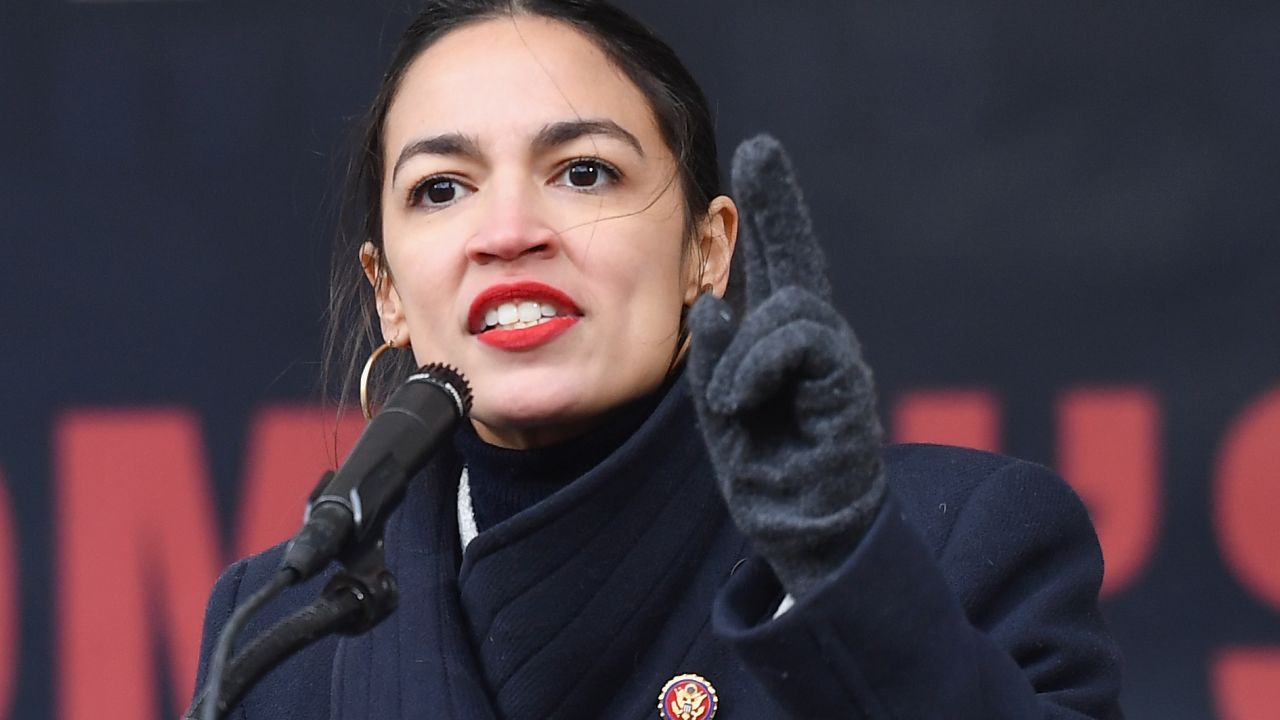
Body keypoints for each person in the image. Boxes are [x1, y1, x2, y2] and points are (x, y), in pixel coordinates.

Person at [192, 1, 1124, 718]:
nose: (508, 232)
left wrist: (848, 583)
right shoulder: (281, 632)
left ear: (707, 251)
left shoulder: (957, 543)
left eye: (584, 172)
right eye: (442, 189)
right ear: (388, 289)